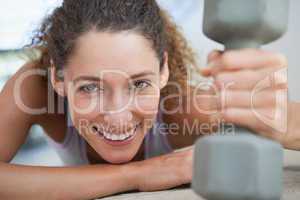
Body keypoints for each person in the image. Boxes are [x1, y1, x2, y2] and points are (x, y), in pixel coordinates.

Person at [0, 0, 298, 199]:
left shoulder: (185, 112)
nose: (117, 116)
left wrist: (279, 120)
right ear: (58, 77)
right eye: (90, 88)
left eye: (140, 83)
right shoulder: (35, 88)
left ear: (163, 70)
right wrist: (141, 174)